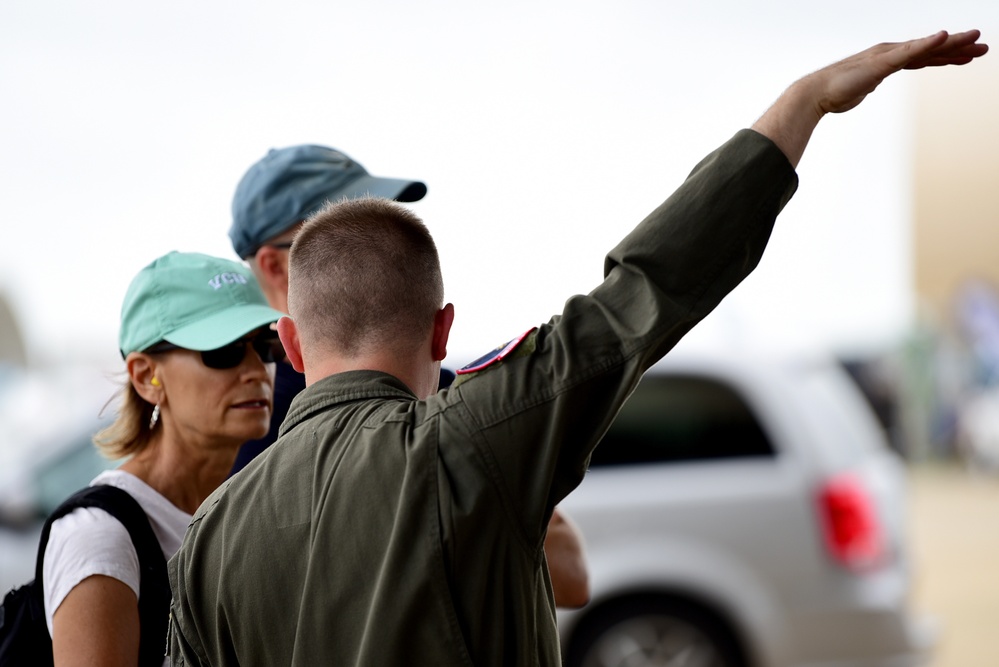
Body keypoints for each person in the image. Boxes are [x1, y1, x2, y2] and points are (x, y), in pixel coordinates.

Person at [168, 31, 988, 666]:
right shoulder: (472, 439)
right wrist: (801, 104)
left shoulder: (209, 538)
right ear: (443, 329)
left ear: (289, 342)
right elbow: (653, 284)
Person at [225, 143, 591, 607]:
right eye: (344, 227)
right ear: (275, 266)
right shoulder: (239, 415)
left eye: (382, 216)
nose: (382, 237)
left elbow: (572, 578)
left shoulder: (439, 387)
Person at [44, 252, 285, 667]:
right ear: (145, 376)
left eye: (265, 346)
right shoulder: (101, 538)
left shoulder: (250, 510)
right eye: (223, 351)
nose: (256, 370)